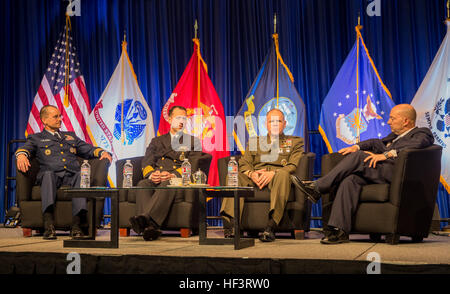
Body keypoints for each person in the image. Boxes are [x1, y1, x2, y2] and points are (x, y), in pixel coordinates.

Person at [291, 104, 434, 244]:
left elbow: (418, 144)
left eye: (392, 118)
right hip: (378, 172)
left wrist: (387, 154)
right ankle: (340, 230)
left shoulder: (422, 133)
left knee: (359, 157)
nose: (388, 121)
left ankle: (318, 187)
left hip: (397, 175)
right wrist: (356, 146)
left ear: (406, 121)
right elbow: (375, 142)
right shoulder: (393, 136)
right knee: (350, 180)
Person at [15, 105, 112, 240]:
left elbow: (88, 149)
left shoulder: (70, 136)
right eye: (56, 116)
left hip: (71, 176)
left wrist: (102, 152)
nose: (60, 119)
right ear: (44, 120)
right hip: (50, 176)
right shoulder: (36, 138)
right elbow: (25, 149)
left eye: (60, 116)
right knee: (48, 174)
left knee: (81, 175)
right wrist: (21, 155)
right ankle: (48, 225)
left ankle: (76, 226)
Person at [220, 108, 305, 242]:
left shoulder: (295, 142)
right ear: (266, 124)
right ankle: (232, 226)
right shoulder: (255, 141)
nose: (275, 124)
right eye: (272, 121)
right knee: (234, 176)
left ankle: (270, 227)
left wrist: (274, 173)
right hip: (255, 177)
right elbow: (244, 163)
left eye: (278, 121)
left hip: (277, 178)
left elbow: (293, 165)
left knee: (283, 175)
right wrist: (251, 173)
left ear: (285, 123)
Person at [129, 106, 206, 241]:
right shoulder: (157, 141)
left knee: (169, 183)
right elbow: (146, 162)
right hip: (157, 176)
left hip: (176, 179)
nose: (181, 121)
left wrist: (173, 175)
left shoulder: (193, 141)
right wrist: (152, 174)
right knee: (143, 183)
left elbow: (192, 166)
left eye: (184, 118)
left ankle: (145, 221)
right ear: (169, 119)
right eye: (178, 118)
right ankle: (150, 228)